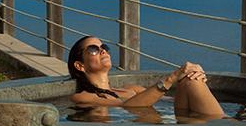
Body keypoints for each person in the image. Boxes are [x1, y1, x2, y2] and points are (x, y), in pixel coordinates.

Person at [66, 35, 225, 118]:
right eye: (93, 49)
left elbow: (168, 102)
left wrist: (193, 74)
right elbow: (127, 106)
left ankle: (223, 124)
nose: (102, 51)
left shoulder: (132, 89)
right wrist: (172, 77)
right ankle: (224, 125)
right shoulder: (82, 97)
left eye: (104, 47)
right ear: (80, 66)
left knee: (191, 80)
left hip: (169, 119)